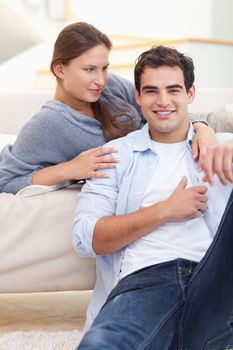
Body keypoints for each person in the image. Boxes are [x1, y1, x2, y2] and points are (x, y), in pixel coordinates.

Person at [72, 45, 233, 349]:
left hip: (217, 283)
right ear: (137, 95)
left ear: (191, 93)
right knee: (102, 344)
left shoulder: (221, 146)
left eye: (173, 90)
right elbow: (85, 238)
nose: (162, 101)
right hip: (147, 281)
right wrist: (164, 210)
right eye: (151, 91)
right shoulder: (115, 156)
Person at [0, 22, 215, 194]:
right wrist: (68, 169)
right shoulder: (48, 124)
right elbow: (6, 180)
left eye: (104, 68)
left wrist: (202, 128)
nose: (101, 79)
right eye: (89, 69)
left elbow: (160, 105)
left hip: (188, 131)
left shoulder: (109, 86)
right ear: (60, 70)